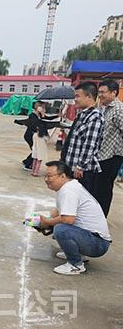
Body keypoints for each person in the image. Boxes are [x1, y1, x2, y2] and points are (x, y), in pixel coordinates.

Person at [37, 160, 111, 275]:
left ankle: (75, 265)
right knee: (57, 226)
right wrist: (38, 219)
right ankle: (78, 254)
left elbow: (68, 219)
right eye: (45, 176)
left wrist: (47, 222)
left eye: (50, 176)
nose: (46, 179)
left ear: (62, 176)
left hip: (98, 244)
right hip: (94, 238)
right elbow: (57, 212)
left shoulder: (69, 191)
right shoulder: (66, 187)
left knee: (61, 229)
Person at [60, 82, 104, 199]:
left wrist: (80, 166)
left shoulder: (94, 117)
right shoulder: (82, 115)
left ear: (89, 96)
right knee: (69, 199)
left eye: (78, 96)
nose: (75, 99)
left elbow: (90, 144)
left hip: (81, 171)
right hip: (72, 167)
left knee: (78, 202)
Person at [95, 80, 123, 217]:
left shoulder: (118, 109)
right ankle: (94, 215)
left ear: (113, 92)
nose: (100, 95)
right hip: (101, 155)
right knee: (96, 187)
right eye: (99, 92)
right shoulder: (103, 107)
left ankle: (100, 218)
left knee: (104, 189)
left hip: (111, 156)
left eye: (103, 92)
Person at [31, 103, 50, 177]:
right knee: (40, 156)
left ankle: (33, 171)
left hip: (36, 135)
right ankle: (35, 172)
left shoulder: (36, 116)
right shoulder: (39, 118)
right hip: (40, 137)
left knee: (35, 155)